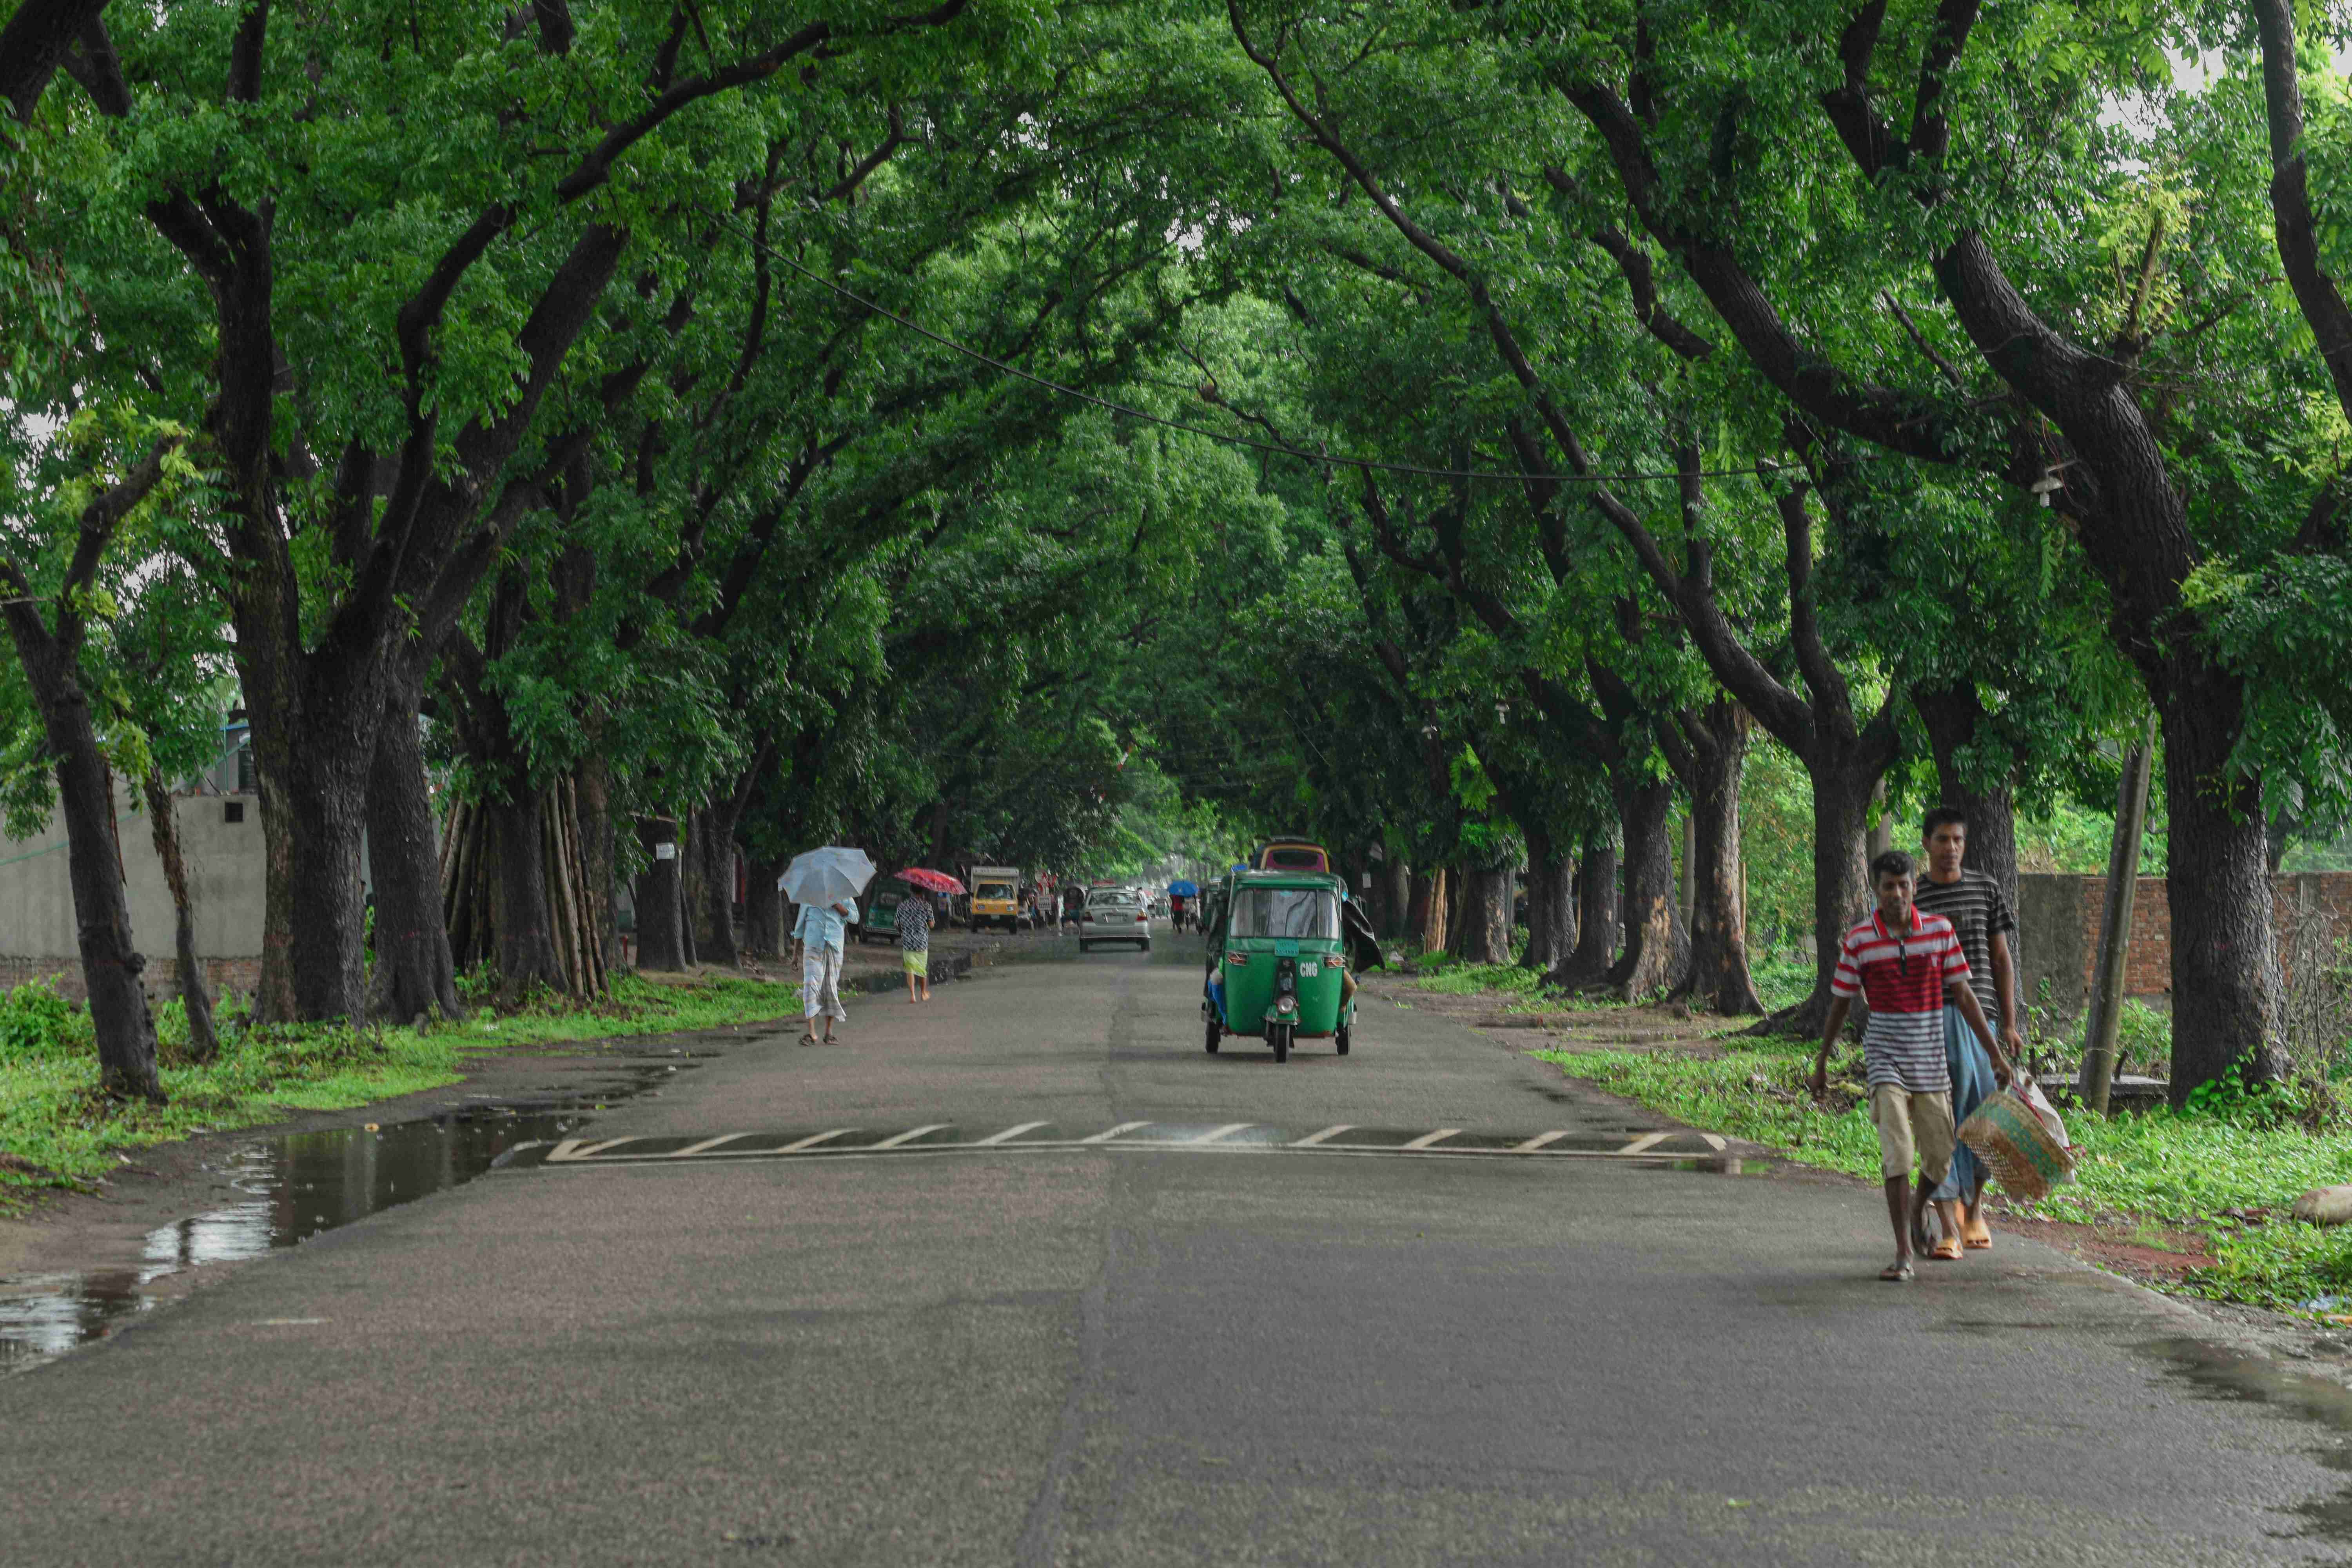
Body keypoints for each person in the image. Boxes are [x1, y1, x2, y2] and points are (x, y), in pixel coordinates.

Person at [1810, 850, 2014, 1282]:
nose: (1897, 894)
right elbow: (1841, 1003)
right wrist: (1823, 1060)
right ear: (1877, 890)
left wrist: (1995, 1053)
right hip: (1886, 1058)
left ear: (1914, 888)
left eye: (1904, 885)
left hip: (1930, 1059)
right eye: (1889, 886)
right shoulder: (1860, 940)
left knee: (1940, 1156)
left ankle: (1920, 1204)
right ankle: (1903, 1251)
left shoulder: (1940, 932)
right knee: (1899, 1154)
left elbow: (1965, 996)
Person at [1913, 807, 2025, 1254]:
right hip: (1929, 1019)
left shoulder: (1986, 889)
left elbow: (2001, 959)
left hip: (1982, 1022)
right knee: (1939, 1118)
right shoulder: (1913, 895)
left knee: (1983, 1119)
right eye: (1942, 839)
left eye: (1958, 839)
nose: (1951, 848)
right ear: (1926, 843)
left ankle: (1975, 1208)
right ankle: (1947, 1223)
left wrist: (2010, 1024)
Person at [793, 894, 856, 1045]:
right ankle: (811, 1033)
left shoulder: (844, 895)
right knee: (810, 986)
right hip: (813, 947)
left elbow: (855, 918)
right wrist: (795, 955)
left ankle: (829, 1033)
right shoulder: (808, 897)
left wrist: (838, 907)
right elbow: (800, 928)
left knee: (831, 988)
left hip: (834, 948)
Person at [897, 884, 935, 1003]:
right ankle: (923, 994)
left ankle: (913, 995)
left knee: (910, 969)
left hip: (907, 941)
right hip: (922, 942)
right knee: (922, 969)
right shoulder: (926, 905)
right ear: (923, 891)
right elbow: (931, 925)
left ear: (911, 891)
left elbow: (896, 924)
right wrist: (929, 923)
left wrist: (904, 931)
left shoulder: (902, 906)